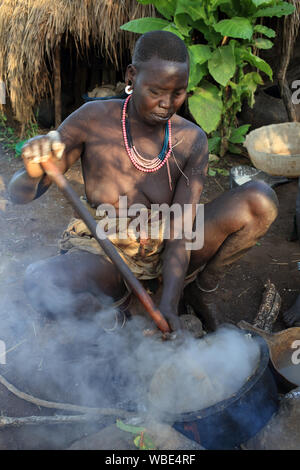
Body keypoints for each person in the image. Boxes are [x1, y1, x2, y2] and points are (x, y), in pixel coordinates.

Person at [8, 31, 279, 332]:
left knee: (259, 200)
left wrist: (169, 304)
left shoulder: (192, 140)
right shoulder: (92, 119)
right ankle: (124, 309)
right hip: (107, 252)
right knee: (40, 280)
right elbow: (19, 195)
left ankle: (197, 292)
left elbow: (180, 232)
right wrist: (32, 172)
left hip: (171, 249)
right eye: (156, 92)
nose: (167, 103)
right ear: (131, 77)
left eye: (178, 93)